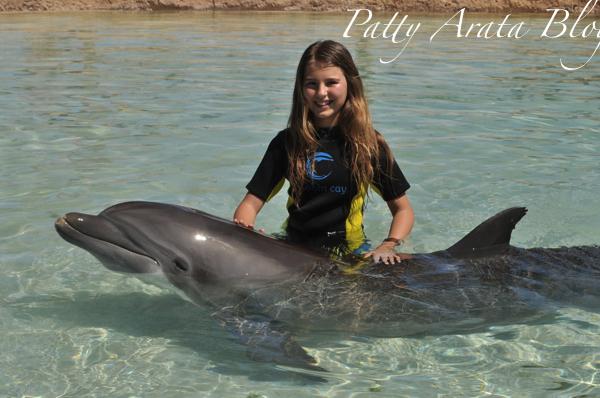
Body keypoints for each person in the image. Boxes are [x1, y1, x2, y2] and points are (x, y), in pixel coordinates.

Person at [233, 40, 414, 265]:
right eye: (311, 84)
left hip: (349, 253)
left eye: (331, 82)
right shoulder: (287, 142)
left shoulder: (368, 144)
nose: (321, 93)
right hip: (292, 247)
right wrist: (246, 236)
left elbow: (403, 210)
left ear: (350, 83)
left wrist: (388, 245)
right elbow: (251, 204)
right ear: (300, 88)